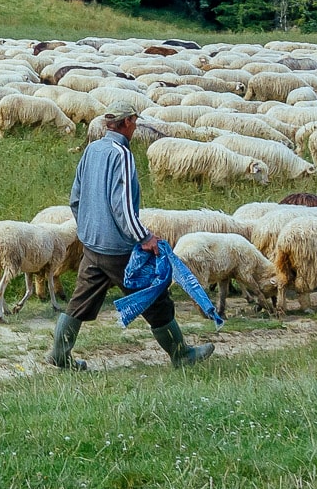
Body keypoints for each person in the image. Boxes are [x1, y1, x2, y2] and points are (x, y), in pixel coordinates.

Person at [48, 110, 215, 371]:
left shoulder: (92, 149)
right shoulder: (121, 154)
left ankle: (59, 354)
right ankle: (181, 354)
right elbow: (123, 206)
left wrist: (90, 230)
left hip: (92, 246)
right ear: (127, 122)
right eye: (135, 122)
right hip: (118, 249)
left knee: (80, 300)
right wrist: (144, 236)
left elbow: (76, 198)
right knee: (154, 298)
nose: (136, 127)